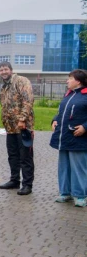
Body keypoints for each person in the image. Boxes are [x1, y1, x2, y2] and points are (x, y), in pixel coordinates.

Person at [50, 69, 87, 207]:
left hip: (78, 139)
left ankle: (80, 195)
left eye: (70, 78)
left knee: (79, 168)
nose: (67, 80)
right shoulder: (68, 95)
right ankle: (65, 192)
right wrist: (54, 120)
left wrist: (85, 127)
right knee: (64, 166)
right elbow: (61, 112)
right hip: (64, 137)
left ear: (78, 80)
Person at [0, 61, 35, 195]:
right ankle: (14, 180)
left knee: (25, 157)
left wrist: (22, 118)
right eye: (1, 70)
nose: (3, 72)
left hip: (23, 127)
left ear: (11, 70)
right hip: (10, 128)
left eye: (5, 69)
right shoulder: (4, 86)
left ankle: (27, 184)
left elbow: (28, 100)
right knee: (13, 156)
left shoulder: (21, 81)